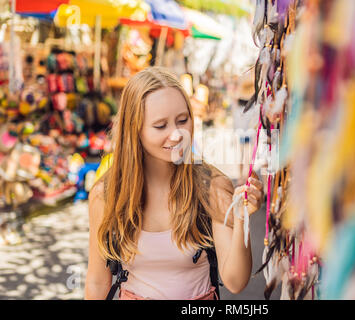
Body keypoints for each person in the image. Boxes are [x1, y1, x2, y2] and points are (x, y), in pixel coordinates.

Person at [85, 67, 264, 300]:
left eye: (183, 120)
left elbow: (235, 281)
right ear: (134, 130)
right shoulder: (106, 194)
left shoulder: (213, 187)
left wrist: (241, 219)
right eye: (161, 126)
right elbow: (98, 282)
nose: (178, 134)